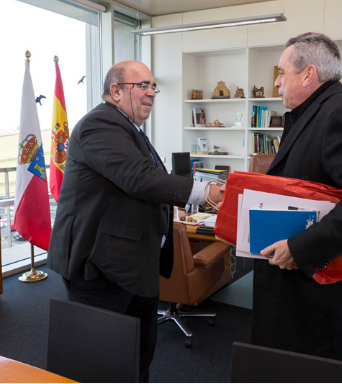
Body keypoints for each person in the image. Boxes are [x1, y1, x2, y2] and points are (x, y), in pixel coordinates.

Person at [47, 60, 221, 382]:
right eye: (143, 86)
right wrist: (205, 192)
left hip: (133, 263)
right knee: (104, 363)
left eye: (154, 87)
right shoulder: (98, 126)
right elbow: (138, 178)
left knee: (138, 355)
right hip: (99, 266)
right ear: (115, 91)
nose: (152, 93)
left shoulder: (130, 130)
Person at [252, 32, 342, 362]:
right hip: (306, 282)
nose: (276, 82)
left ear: (308, 74)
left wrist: (300, 248)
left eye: (281, 72)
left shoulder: (339, 114)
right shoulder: (314, 113)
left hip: (322, 287)